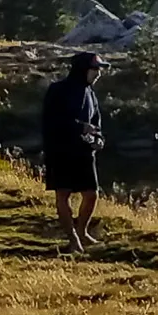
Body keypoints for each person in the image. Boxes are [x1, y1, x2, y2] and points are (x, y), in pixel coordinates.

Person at [41, 52, 107, 250]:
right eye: (95, 69)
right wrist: (80, 128)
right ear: (82, 69)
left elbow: (96, 123)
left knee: (91, 194)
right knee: (63, 194)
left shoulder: (90, 93)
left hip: (84, 152)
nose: (98, 73)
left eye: (99, 69)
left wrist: (98, 139)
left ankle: (82, 232)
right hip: (60, 150)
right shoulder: (58, 90)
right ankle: (73, 240)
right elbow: (52, 121)